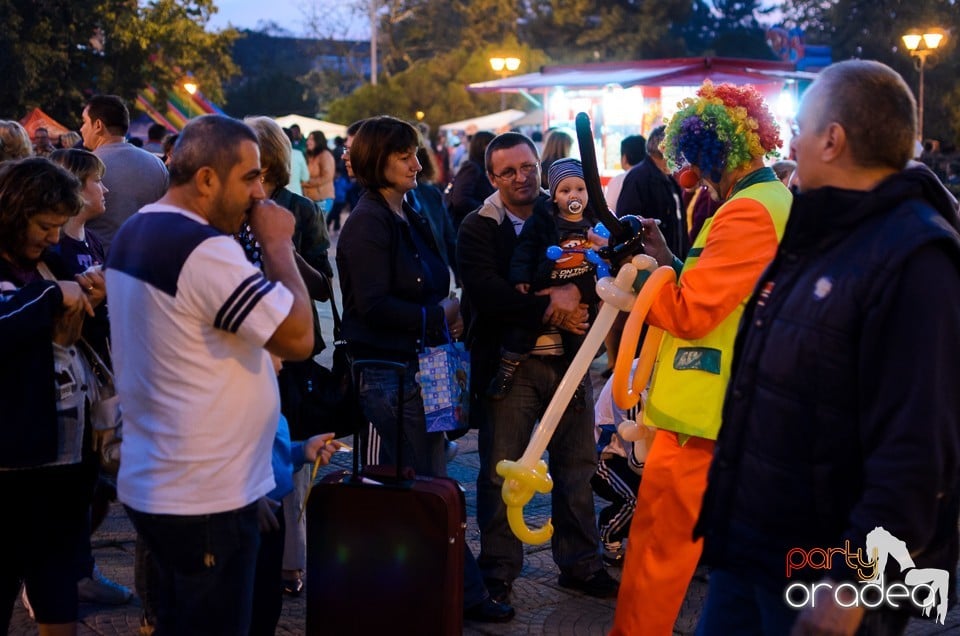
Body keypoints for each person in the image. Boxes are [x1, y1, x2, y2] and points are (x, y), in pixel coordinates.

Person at [695, 59, 960, 636]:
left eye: (802, 127)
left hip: (822, 577)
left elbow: (917, 449)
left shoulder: (917, 258)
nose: (790, 142)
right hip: (752, 550)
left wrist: (852, 583)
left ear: (833, 139)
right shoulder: (819, 232)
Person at [104, 114, 318, 634]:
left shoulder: (139, 228)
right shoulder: (204, 249)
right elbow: (298, 337)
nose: (261, 193)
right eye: (250, 178)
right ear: (205, 179)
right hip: (201, 495)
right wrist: (278, 246)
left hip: (173, 481)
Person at [610, 81, 791, 636]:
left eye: (701, 164)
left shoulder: (748, 212)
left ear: (715, 155)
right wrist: (662, 257)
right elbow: (712, 286)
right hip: (708, 414)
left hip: (702, 417)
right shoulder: (762, 202)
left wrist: (639, 279)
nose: (697, 177)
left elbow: (690, 312)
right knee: (661, 548)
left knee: (658, 556)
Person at [336, 115, 514, 624]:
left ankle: (439, 589)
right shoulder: (369, 221)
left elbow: (434, 276)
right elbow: (369, 305)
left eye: (415, 153)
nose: (417, 163)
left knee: (429, 482)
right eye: (403, 155)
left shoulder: (407, 208)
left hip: (423, 367)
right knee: (427, 488)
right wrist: (436, 315)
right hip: (393, 374)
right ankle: (460, 593)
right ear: (377, 161)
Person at [457, 132, 618, 605]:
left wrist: (579, 299)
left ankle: (581, 564)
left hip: (570, 362)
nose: (521, 177)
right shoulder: (479, 224)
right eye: (508, 171)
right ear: (493, 177)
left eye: (527, 166)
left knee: (577, 466)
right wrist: (555, 302)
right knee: (500, 470)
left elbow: (600, 269)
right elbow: (487, 293)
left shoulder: (567, 208)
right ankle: (499, 571)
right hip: (512, 368)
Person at [0, 157, 98, 635]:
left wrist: (93, 293)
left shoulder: (48, 262)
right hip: (10, 461)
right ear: (13, 213)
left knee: (58, 585)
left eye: (60, 226)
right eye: (45, 226)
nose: (55, 237)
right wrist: (53, 296)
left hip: (62, 461)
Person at [46, 149, 135, 607]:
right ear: (78, 187)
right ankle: (59, 576)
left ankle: (75, 569)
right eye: (99, 182)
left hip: (100, 375)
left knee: (95, 482)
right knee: (82, 482)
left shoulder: (93, 244)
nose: (107, 191)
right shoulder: (56, 249)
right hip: (72, 381)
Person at [488, 158, 600, 402]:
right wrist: (520, 277)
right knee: (522, 334)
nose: (574, 196)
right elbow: (525, 250)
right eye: (565, 190)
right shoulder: (543, 221)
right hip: (546, 286)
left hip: (581, 292)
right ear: (555, 197)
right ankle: (507, 369)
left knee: (579, 341)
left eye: (580, 189)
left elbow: (606, 262)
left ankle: (577, 384)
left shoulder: (595, 223)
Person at [80, 95, 169, 254]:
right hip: (145, 261)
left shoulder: (85, 167)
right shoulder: (157, 165)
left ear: (98, 125)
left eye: (85, 122)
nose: (81, 129)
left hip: (99, 264)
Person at [591, 359, 646, 566]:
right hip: (608, 457)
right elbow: (634, 440)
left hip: (633, 454)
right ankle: (610, 538)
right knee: (636, 499)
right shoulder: (635, 377)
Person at [616, 125, 688, 259]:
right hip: (650, 262)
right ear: (665, 149)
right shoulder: (638, 176)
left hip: (671, 259)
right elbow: (627, 220)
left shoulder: (669, 179)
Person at [446, 130, 495, 230]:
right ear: (483, 146)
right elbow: (460, 200)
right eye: (493, 145)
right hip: (468, 226)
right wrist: (487, 208)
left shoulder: (480, 167)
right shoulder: (472, 167)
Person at [302, 130, 337, 232]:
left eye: (311, 139)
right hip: (310, 199)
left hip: (323, 199)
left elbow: (327, 176)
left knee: (316, 231)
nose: (308, 141)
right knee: (313, 231)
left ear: (319, 141)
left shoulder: (325, 155)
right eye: (308, 139)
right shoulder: (310, 156)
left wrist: (307, 183)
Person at [605, 134, 646, 211]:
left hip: (622, 222)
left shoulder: (617, 180)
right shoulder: (654, 178)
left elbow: (608, 210)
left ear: (624, 158)